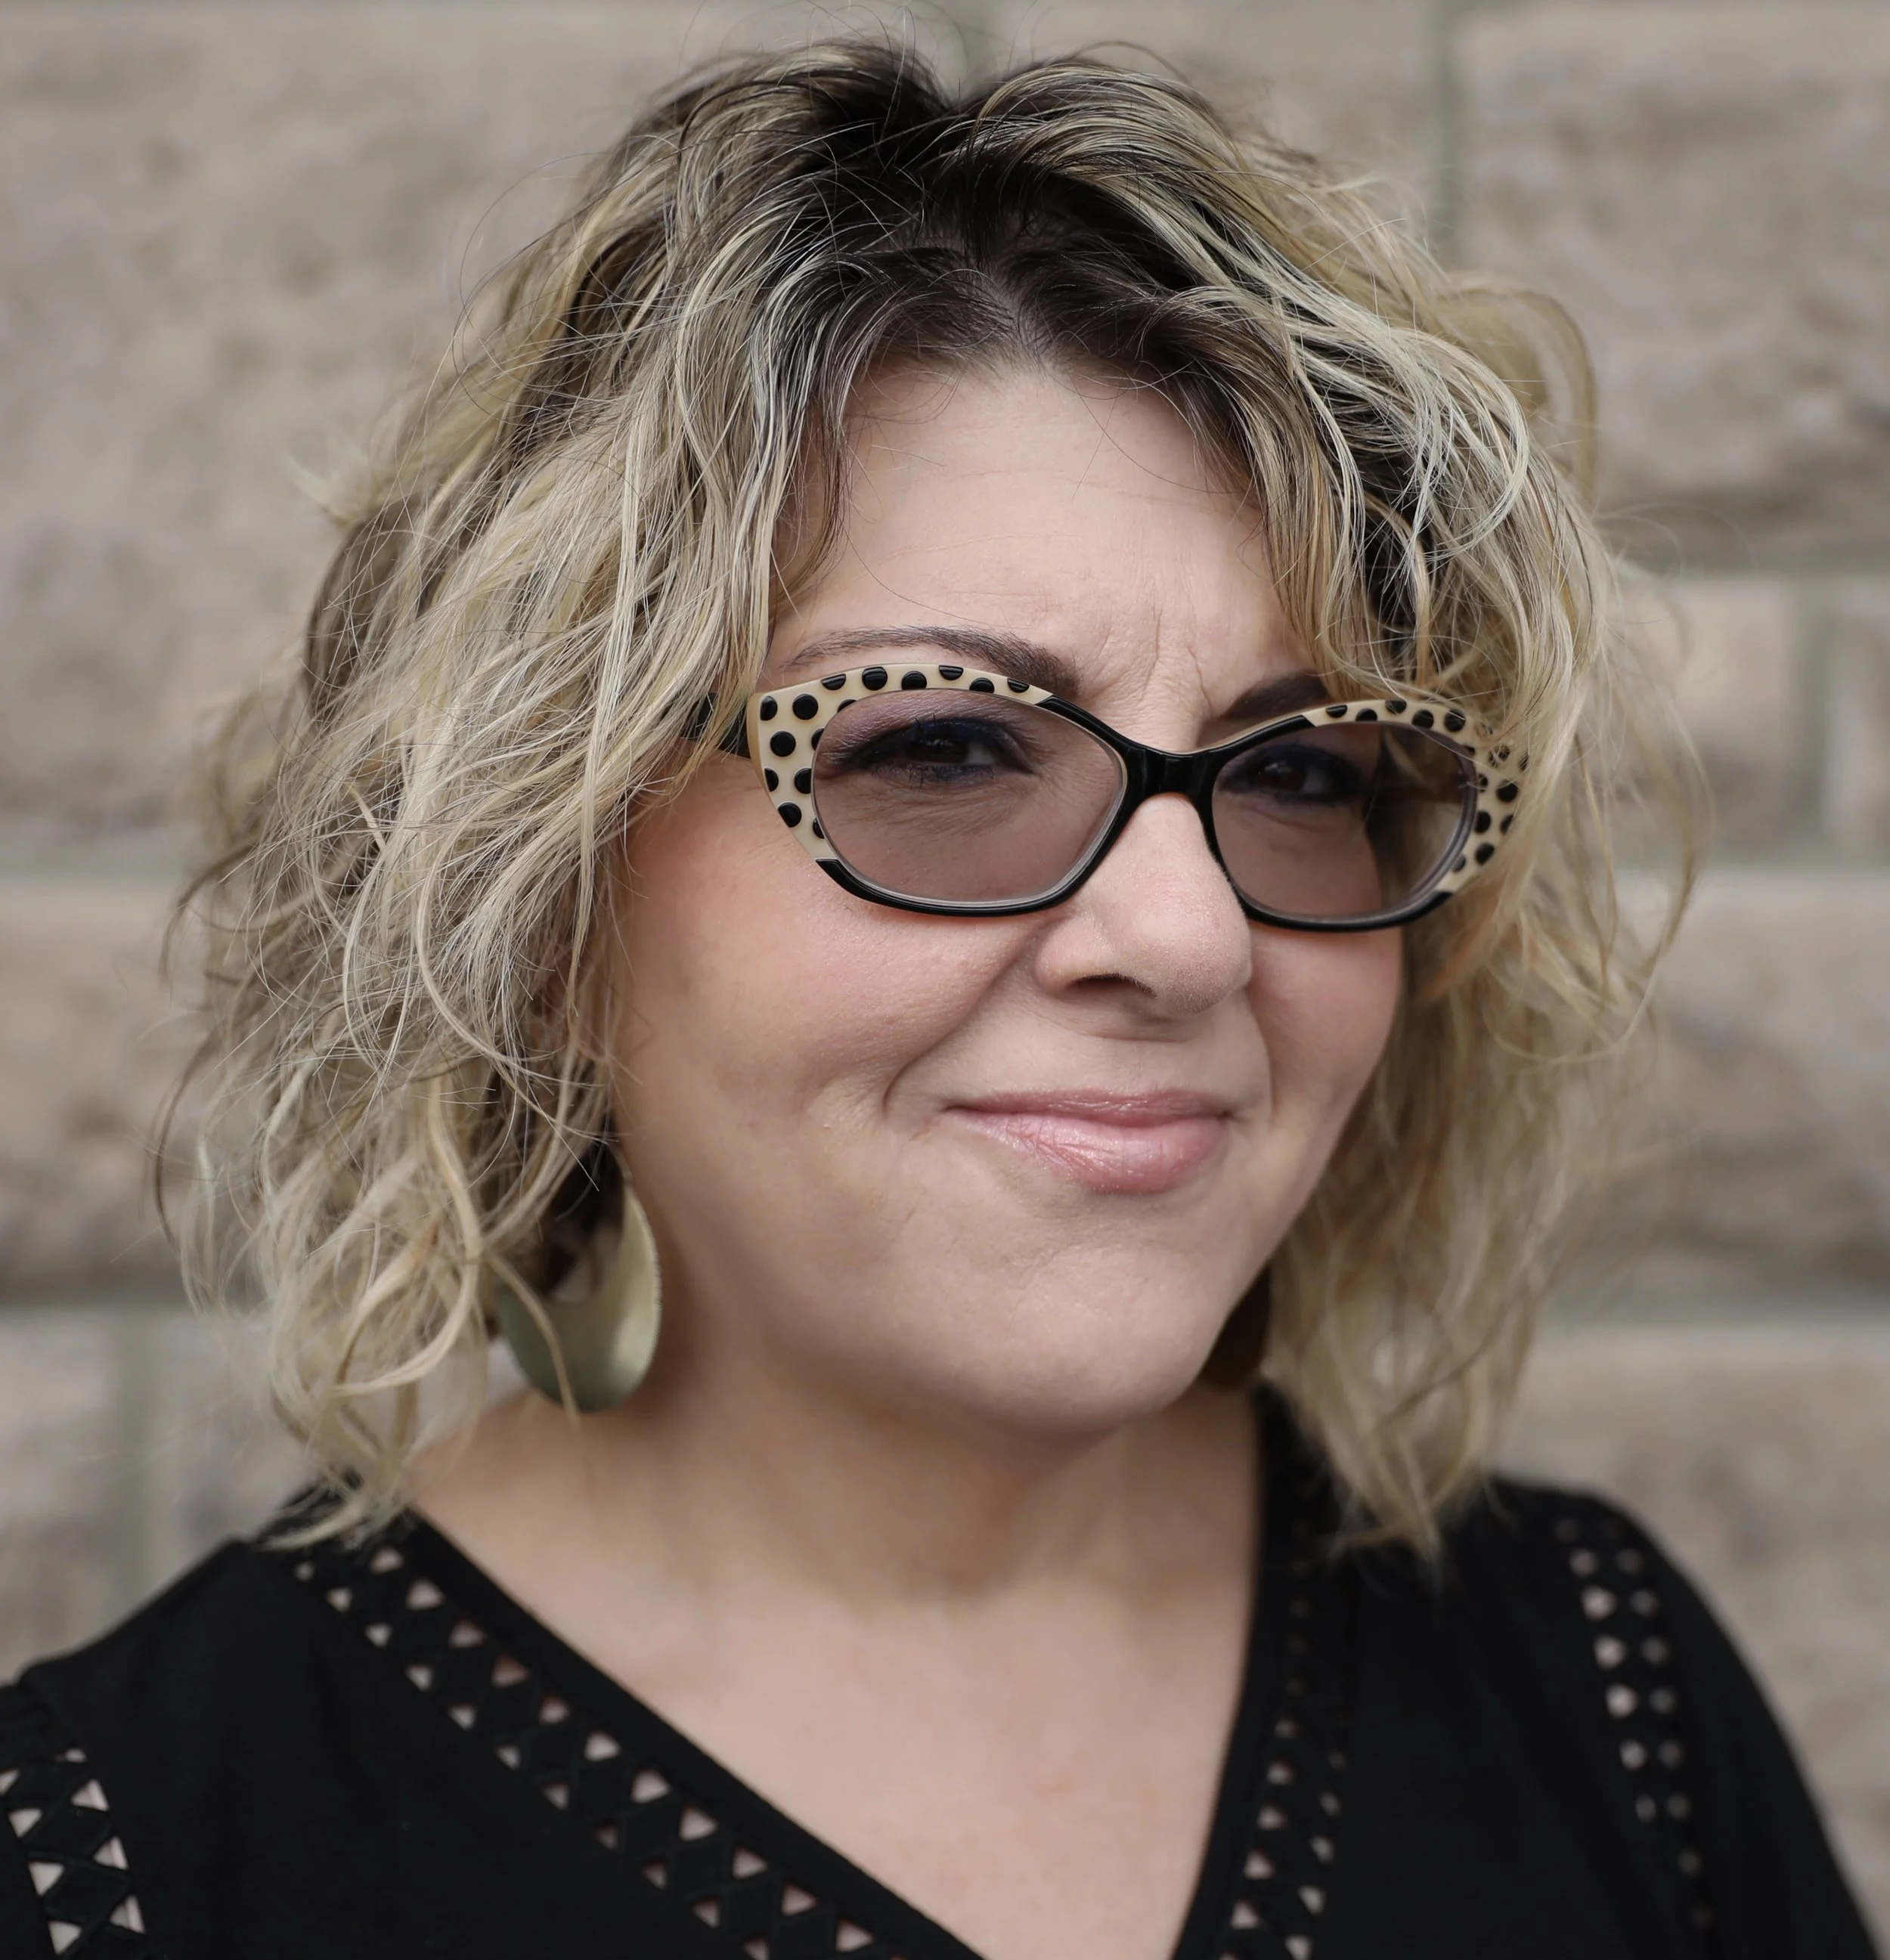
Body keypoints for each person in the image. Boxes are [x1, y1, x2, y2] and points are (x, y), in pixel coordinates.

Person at [0, 39, 1874, 1960]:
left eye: (1304, 773)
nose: (1191, 936)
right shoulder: (127, 1862)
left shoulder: (1599, 1691)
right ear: (538, 891)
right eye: (949, 749)